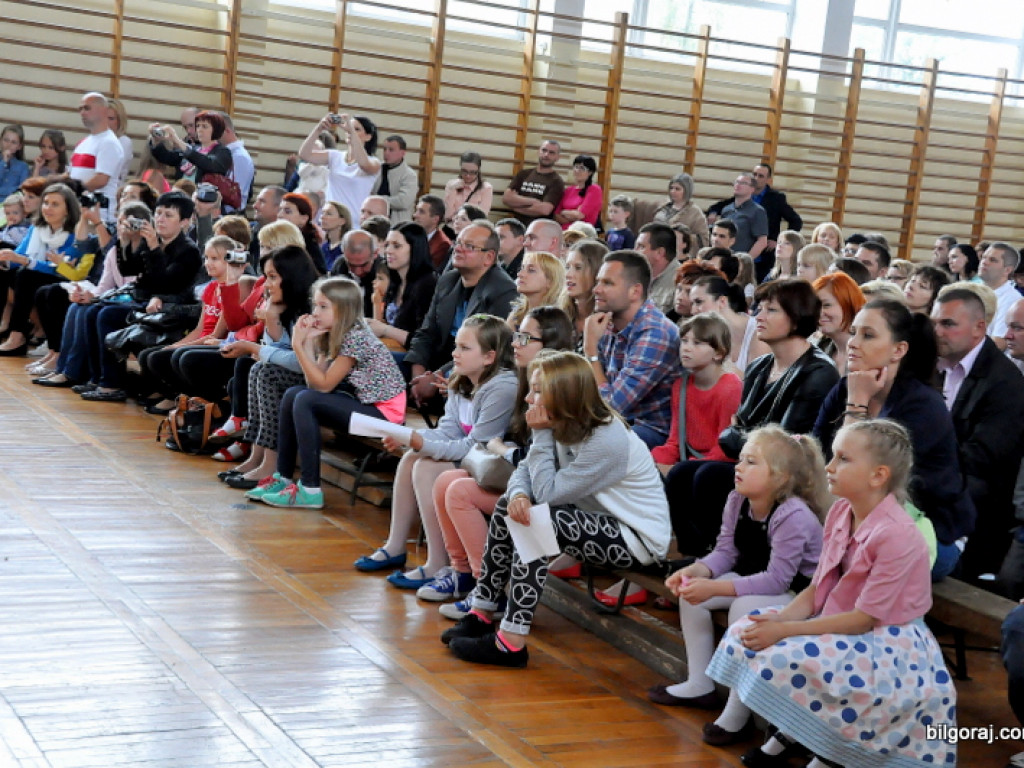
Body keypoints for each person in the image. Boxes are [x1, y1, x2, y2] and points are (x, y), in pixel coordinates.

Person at [707, 419, 956, 768]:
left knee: (798, 657)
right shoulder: (840, 511)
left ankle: (830, 753)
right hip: (839, 620)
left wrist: (784, 630)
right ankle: (796, 734)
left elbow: (863, 619)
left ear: (878, 476)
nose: (829, 466)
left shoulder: (897, 534)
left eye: (843, 459)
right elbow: (818, 587)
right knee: (747, 630)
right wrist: (778, 622)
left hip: (889, 641)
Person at [441, 351, 671, 668]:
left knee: (536, 520)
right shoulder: (562, 421)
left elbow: (548, 493)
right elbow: (525, 470)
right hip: (595, 523)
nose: (527, 398)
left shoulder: (606, 437)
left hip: (636, 538)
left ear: (564, 395)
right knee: (512, 505)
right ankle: (481, 612)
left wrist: (540, 435)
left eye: (537, 390)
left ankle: (511, 642)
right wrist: (519, 494)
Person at [650, 426, 826, 722]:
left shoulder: (792, 515)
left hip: (798, 593)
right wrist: (696, 571)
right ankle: (700, 683)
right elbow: (726, 552)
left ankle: (737, 709)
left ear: (780, 477)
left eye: (751, 462)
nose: (738, 467)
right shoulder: (737, 499)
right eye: (741, 459)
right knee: (692, 597)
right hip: (757, 578)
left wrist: (714, 588)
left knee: (744, 609)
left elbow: (778, 580)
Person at [666, 279, 839, 557]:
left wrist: (740, 436)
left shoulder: (818, 372)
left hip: (789, 475)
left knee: (709, 477)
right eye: (760, 308)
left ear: (796, 317)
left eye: (771, 310)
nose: (758, 316)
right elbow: (733, 433)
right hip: (751, 461)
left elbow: (782, 448)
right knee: (680, 474)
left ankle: (728, 559)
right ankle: (698, 557)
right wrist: (741, 436)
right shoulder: (760, 366)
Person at [421, 307, 575, 610]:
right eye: (516, 336)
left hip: (552, 498)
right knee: (446, 480)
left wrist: (504, 452)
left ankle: (487, 589)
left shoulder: (557, 388)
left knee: (460, 490)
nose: (515, 343)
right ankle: (462, 573)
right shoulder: (525, 381)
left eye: (524, 338)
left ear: (549, 345)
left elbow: (548, 462)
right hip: (526, 483)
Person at [814, 298, 976, 581]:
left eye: (868, 335)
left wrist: (857, 404)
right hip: (862, 522)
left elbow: (861, 480)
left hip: (930, 533)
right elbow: (815, 457)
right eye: (853, 332)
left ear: (898, 350)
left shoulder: (922, 406)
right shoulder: (847, 387)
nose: (853, 343)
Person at [354, 314, 518, 587]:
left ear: (489, 357)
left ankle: (438, 562)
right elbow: (448, 431)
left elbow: (476, 446)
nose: (455, 354)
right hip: (469, 457)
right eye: (456, 346)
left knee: (427, 465)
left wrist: (421, 442)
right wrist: (409, 438)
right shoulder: (462, 378)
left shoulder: (503, 387)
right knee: (411, 457)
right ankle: (395, 545)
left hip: (492, 466)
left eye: (465, 348)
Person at [248, 277, 407, 509]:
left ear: (343, 310)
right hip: (363, 404)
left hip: (385, 414)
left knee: (304, 398)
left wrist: (297, 345)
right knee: (294, 394)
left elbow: (323, 387)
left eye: (323, 307)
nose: (315, 312)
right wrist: (308, 344)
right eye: (315, 305)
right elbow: (314, 384)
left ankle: (310, 490)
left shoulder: (356, 337)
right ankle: (283, 478)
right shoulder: (333, 332)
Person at [933, 287, 1024, 580]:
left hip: (972, 517)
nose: (937, 332)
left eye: (948, 324)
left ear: (979, 328)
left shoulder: (1006, 383)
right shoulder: (927, 366)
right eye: (934, 323)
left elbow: (982, 458)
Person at [220, 245, 321, 487]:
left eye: (273, 277)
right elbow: (277, 350)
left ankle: (271, 463)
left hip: (324, 379)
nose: (267, 284)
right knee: (257, 368)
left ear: (292, 276)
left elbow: (300, 363)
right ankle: (257, 456)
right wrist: (272, 318)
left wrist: (254, 347)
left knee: (267, 373)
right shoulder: (284, 304)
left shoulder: (313, 308)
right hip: (303, 373)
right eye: (266, 277)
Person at [405, 221, 518, 403]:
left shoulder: (503, 291)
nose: (458, 249)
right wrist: (418, 377)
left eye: (469, 246)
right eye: (458, 243)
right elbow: (426, 333)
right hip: (436, 363)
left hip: (470, 373)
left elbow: (486, 351)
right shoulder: (447, 280)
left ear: (489, 257)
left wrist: (436, 377)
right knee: (385, 365)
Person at [135, 235, 249, 414]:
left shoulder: (234, 289)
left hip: (216, 344)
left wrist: (179, 347)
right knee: (147, 355)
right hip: (202, 340)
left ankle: (202, 402)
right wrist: (176, 344)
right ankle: (177, 397)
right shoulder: (210, 288)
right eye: (206, 258)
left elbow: (217, 334)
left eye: (215, 259)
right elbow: (200, 329)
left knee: (166, 357)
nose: (208, 263)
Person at [584, 250, 682, 448]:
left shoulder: (655, 333)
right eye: (597, 282)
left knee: (595, 440)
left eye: (607, 283)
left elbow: (612, 407)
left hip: (652, 432)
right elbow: (583, 389)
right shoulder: (606, 323)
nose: (596, 289)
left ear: (635, 292)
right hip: (619, 424)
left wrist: (591, 351)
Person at [0, 183, 90, 357]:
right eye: (46, 203)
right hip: (35, 274)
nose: (48, 208)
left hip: (65, 278)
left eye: (55, 204)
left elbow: (59, 269)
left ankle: (17, 335)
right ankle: (16, 331)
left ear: (68, 209)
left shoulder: (76, 233)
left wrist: (26, 261)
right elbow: (18, 256)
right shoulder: (36, 228)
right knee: (7, 273)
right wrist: (5, 261)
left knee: (26, 275)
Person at [367, 221, 437, 352]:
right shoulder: (395, 281)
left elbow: (424, 341)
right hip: (392, 349)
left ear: (415, 248)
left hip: (413, 356)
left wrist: (385, 330)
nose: (388, 250)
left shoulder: (427, 285)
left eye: (396, 246)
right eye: (387, 245)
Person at [298, 113, 380, 222]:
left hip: (353, 222)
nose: (349, 131)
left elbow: (364, 164)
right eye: (349, 128)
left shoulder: (374, 162)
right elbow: (304, 154)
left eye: (357, 129)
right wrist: (319, 129)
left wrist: (351, 131)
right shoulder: (335, 156)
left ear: (368, 137)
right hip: (329, 219)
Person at [688, 276, 768, 376]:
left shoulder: (758, 329)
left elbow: (754, 382)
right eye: (692, 304)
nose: (693, 311)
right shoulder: (706, 334)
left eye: (698, 302)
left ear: (722, 301)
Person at [148, 110, 233, 191]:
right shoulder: (193, 148)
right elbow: (166, 157)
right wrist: (156, 140)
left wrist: (178, 141)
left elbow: (209, 164)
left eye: (205, 126)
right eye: (198, 126)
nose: (199, 130)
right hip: (181, 195)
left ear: (216, 129)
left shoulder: (223, 152)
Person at [70, 93, 123, 221]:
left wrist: (72, 191)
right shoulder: (83, 143)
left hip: (100, 215)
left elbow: (101, 180)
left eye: (87, 108)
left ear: (104, 110)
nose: (82, 113)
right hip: (81, 210)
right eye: (80, 109)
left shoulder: (109, 142)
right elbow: (71, 173)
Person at [812, 271, 865, 376]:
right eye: (815, 306)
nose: (819, 313)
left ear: (848, 304)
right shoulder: (820, 349)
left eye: (826, 305)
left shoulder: (868, 352)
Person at [560, 238, 608, 353]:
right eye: (567, 267)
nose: (568, 275)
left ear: (597, 273)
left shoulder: (608, 322)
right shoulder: (560, 316)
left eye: (578, 268)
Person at [502, 140, 565, 225]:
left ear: (557, 157)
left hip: (539, 228)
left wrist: (516, 207)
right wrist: (533, 201)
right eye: (544, 150)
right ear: (538, 151)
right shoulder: (523, 174)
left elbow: (545, 210)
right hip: (516, 225)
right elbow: (507, 198)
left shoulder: (557, 181)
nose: (546, 155)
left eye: (551, 153)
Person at [507, 250, 565, 329]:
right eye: (522, 268)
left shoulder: (558, 319)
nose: (520, 274)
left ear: (550, 281)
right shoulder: (516, 315)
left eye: (531, 270)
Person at [653, 173, 709, 250]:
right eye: (671, 188)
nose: (673, 191)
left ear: (686, 191)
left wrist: (683, 237)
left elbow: (703, 240)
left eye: (677, 189)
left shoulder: (695, 213)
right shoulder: (663, 206)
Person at [979, 241, 1021, 342]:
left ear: (1007, 270)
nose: (984, 262)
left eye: (992, 260)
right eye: (983, 257)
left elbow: (999, 342)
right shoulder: (973, 291)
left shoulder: (1012, 300)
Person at [372, 134, 417, 225]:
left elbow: (403, 201)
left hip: (398, 224)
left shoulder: (409, 175)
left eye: (391, 150)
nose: (386, 153)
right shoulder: (376, 169)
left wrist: (377, 200)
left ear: (403, 153)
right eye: (384, 149)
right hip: (374, 222)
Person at [277, 192, 327, 273]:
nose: (280, 215)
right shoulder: (275, 238)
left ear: (304, 219)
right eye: (279, 210)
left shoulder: (308, 244)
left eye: (287, 211)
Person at [553, 154, 602, 230]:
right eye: (576, 167)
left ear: (590, 172)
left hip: (582, 232)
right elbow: (556, 215)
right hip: (563, 231)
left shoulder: (594, 189)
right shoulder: (568, 190)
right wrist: (572, 214)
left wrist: (564, 212)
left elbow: (580, 215)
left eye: (582, 168)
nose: (577, 170)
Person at [443, 151, 493, 222]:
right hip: (452, 226)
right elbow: (447, 216)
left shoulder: (486, 188)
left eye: (472, 172)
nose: (468, 176)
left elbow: (482, 218)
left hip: (472, 227)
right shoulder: (451, 185)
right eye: (464, 171)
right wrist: (452, 191)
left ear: (478, 170)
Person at [412, 194, 451, 271]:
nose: (415, 215)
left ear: (435, 219)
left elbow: (427, 272)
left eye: (421, 212)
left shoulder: (443, 245)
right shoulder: (409, 234)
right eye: (416, 210)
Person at [319, 201, 352, 271]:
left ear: (342, 221)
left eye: (329, 214)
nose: (322, 217)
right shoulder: (324, 247)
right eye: (322, 213)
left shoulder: (346, 249)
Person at [0, 124, 30, 198]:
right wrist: (3, 162)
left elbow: (22, 189)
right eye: (6, 140)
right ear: (0, 141)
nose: (8, 144)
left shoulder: (23, 166)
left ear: (19, 146)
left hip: (13, 202)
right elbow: (17, 188)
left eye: (13, 142)